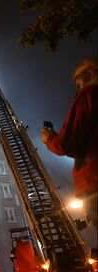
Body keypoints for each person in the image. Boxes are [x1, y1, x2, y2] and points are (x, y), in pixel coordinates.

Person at [40, 58, 98, 231]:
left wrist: (49, 138)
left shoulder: (90, 94)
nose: (79, 88)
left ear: (90, 74)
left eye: (79, 83)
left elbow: (66, 144)